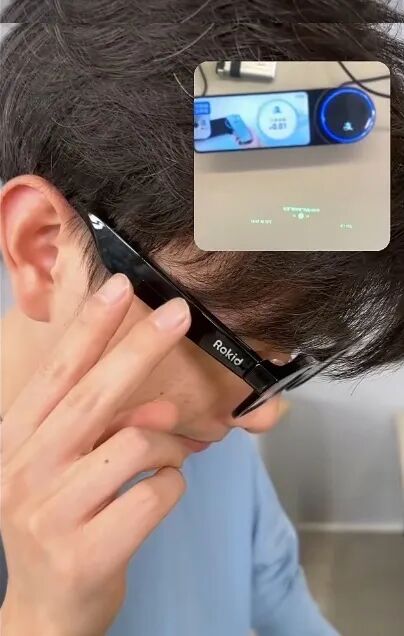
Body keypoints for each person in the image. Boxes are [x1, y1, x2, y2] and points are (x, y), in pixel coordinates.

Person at [1, 4, 404, 636]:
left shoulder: (200, 438)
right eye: (231, 346)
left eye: (285, 355)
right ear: (44, 248)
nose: (262, 416)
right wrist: (41, 620)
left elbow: (280, 600)